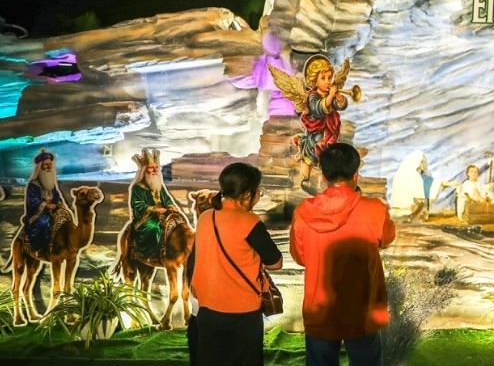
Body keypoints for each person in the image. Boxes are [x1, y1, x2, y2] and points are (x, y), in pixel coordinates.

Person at [289, 142, 396, 366]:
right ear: (356, 174)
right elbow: (386, 239)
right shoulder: (375, 208)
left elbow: (300, 257)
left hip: (320, 306)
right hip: (363, 307)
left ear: (324, 175)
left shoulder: (303, 211)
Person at [187, 162, 283, 366]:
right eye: (258, 192)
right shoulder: (250, 221)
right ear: (248, 195)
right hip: (242, 314)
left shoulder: (206, 217)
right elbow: (276, 262)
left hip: (207, 310)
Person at [294, 54, 349, 191]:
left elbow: (337, 105)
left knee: (329, 154)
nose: (328, 81)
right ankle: (305, 177)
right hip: (316, 132)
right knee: (311, 154)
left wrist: (340, 99)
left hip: (329, 131)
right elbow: (318, 109)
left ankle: (326, 180)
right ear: (314, 80)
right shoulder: (312, 95)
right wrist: (330, 96)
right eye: (323, 78)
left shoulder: (328, 93)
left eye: (330, 77)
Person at [127, 148, 184, 261]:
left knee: (180, 223)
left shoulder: (159, 185)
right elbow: (138, 205)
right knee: (154, 229)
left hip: (164, 214)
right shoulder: (137, 188)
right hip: (146, 218)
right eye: (151, 168)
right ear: (144, 170)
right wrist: (154, 209)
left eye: (156, 167)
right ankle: (152, 255)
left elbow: (166, 199)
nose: (155, 170)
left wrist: (171, 205)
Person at [21, 148, 67, 256]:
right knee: (45, 221)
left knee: (65, 220)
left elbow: (56, 196)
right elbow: (33, 202)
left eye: (50, 164)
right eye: (46, 165)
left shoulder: (51, 183)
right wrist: (46, 205)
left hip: (53, 209)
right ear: (40, 167)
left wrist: (60, 203)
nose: (49, 167)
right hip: (38, 214)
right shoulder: (33, 184)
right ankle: (41, 248)